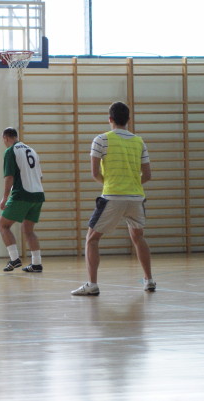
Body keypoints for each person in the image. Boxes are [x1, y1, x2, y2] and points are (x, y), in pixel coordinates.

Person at [72, 101, 156, 296]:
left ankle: (92, 284)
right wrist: (131, 185)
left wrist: (113, 184)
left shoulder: (101, 140)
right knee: (138, 237)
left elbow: (95, 173)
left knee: (92, 239)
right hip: (136, 198)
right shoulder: (139, 141)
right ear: (128, 120)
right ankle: (149, 280)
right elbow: (148, 175)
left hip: (113, 196)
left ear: (110, 119)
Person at [0, 127, 45, 273]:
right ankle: (36, 263)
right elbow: (40, 176)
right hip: (38, 195)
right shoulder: (32, 150)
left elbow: (9, 177)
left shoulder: (10, 151)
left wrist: (5, 197)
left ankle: (14, 259)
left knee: (3, 226)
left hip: (22, 194)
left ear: (5, 138)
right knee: (28, 230)